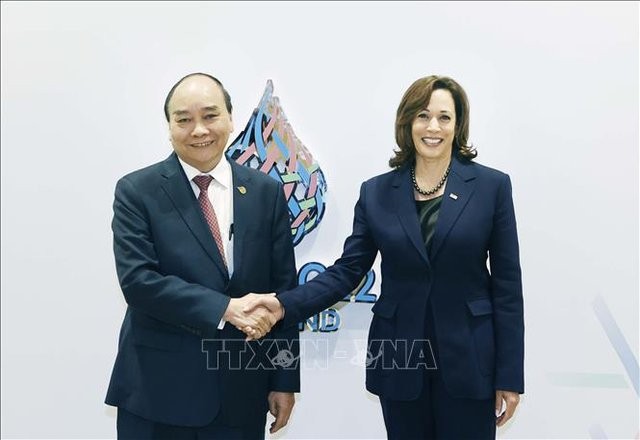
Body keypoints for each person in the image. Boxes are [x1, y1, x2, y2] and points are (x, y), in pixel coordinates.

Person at [244, 75, 524, 439]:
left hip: (470, 360)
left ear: (459, 125)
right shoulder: (376, 192)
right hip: (399, 361)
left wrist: (509, 376)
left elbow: (507, 288)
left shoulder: (492, 187)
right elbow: (347, 271)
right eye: (423, 116)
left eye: (444, 117)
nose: (433, 127)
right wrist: (283, 305)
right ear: (407, 123)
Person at [105, 72, 299, 439]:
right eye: (184, 119)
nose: (198, 130)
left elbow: (282, 293)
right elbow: (139, 282)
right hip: (157, 393)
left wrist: (284, 378)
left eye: (210, 116)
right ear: (169, 126)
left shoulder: (265, 193)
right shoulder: (137, 191)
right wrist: (226, 308)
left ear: (230, 118)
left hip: (241, 393)